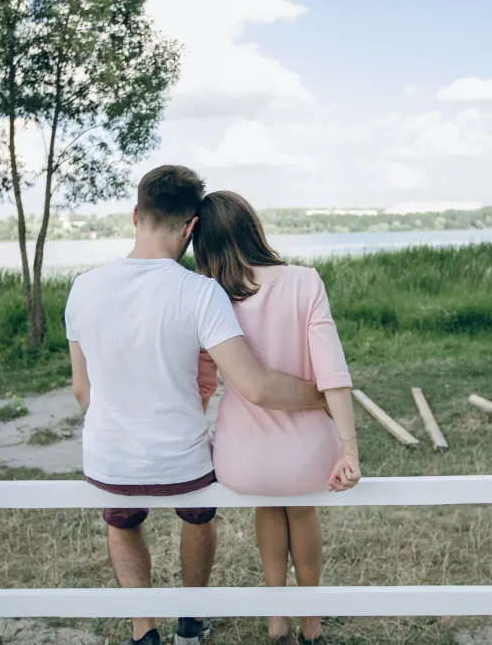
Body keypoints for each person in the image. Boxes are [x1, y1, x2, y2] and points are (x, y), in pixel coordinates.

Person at [65, 166, 328, 645]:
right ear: (190, 228)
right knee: (198, 514)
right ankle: (191, 618)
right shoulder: (199, 291)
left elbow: (82, 391)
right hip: (181, 460)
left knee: (123, 525)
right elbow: (257, 386)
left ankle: (144, 630)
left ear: (135, 215)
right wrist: (323, 395)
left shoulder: (83, 287)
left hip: (111, 459)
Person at [193, 190, 361, 645]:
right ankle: (312, 624)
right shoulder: (305, 282)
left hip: (242, 459)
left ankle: (276, 622)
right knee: (300, 510)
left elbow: (203, 381)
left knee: (269, 506)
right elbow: (333, 374)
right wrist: (348, 445)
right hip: (308, 454)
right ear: (253, 227)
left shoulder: (209, 296)